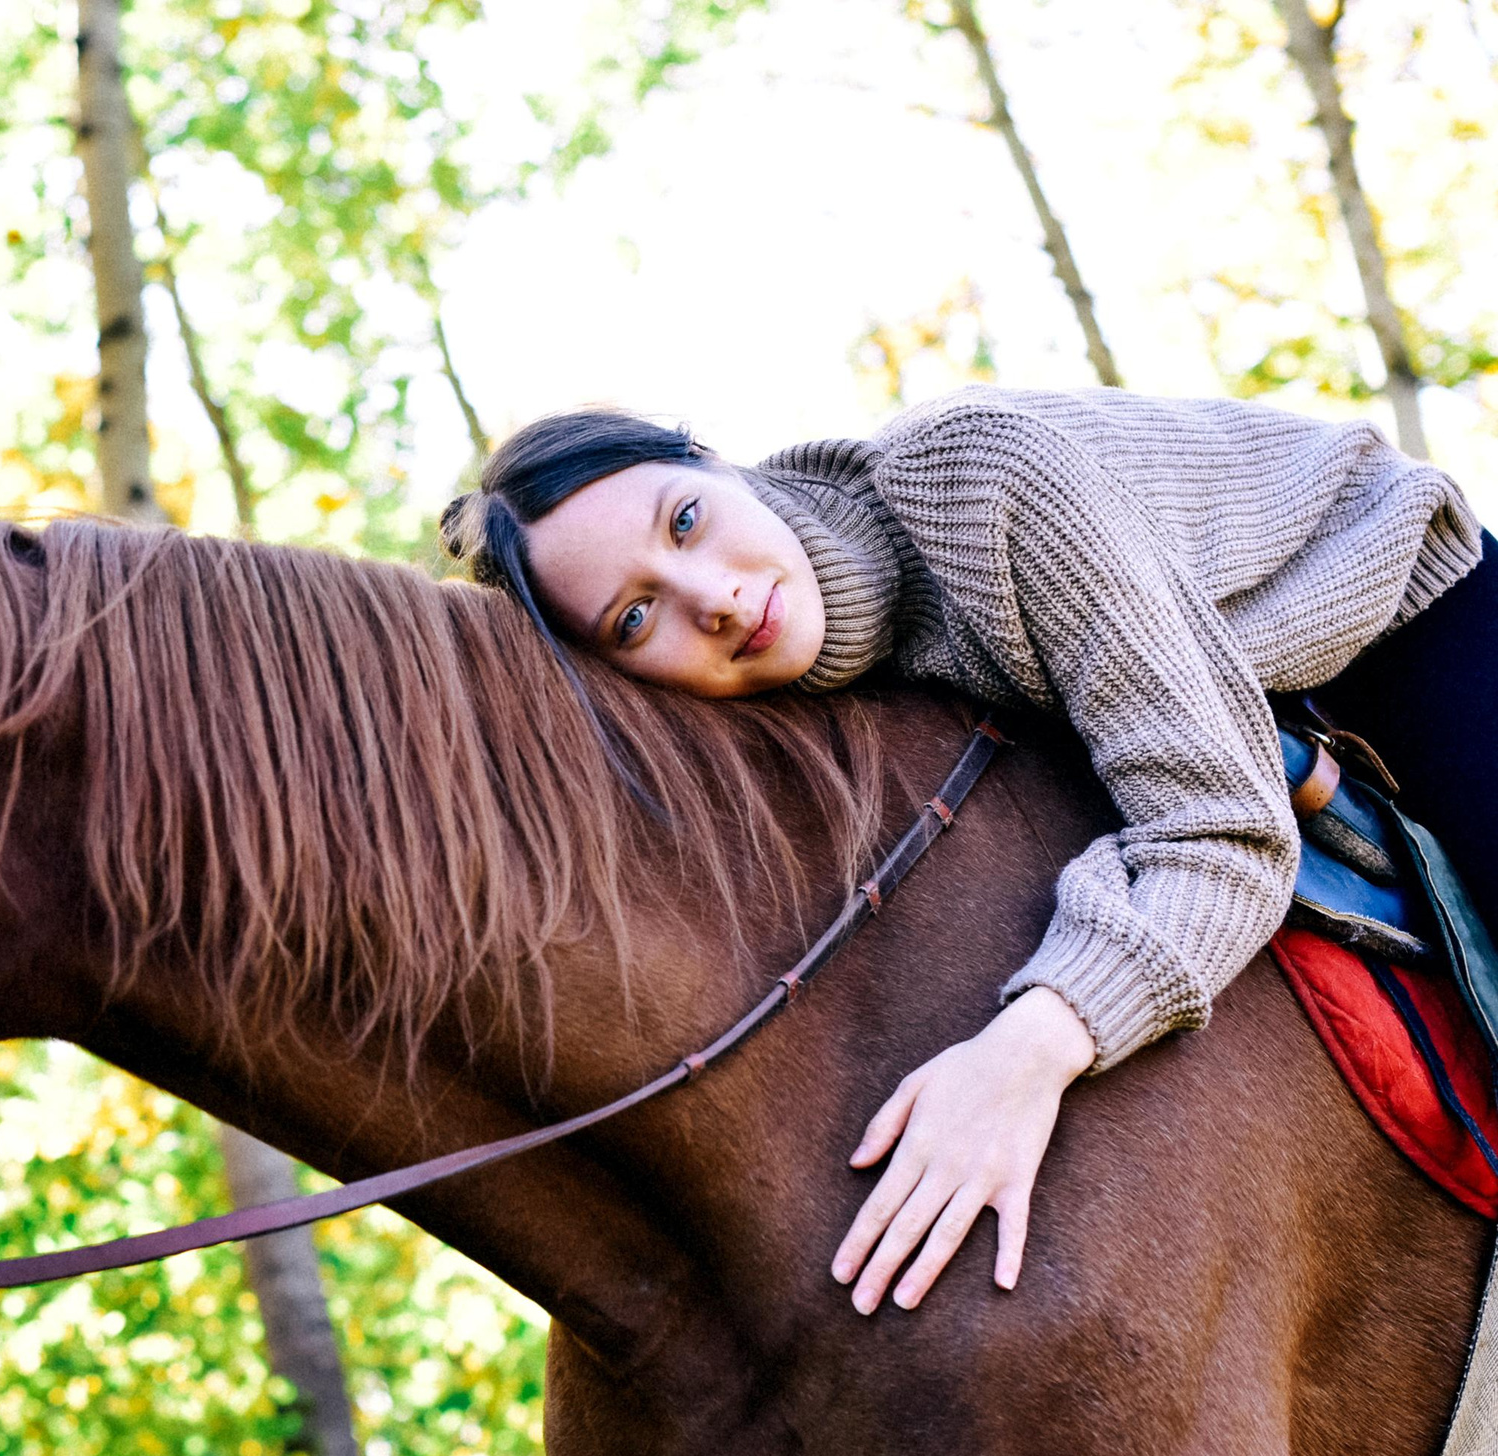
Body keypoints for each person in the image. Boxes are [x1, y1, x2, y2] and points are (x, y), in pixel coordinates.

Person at [437, 388, 1490, 1316]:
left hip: (1394, 612)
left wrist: (1024, 1054)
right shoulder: (795, 691)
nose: (707, 596)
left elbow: (1222, 827)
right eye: (634, 616)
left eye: (685, 520)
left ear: (718, 465)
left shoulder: (982, 482)